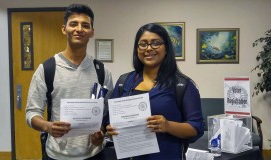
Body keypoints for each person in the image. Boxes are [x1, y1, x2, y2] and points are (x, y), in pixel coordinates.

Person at [25, 3, 113, 160]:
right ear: (64, 29)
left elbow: (107, 113)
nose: (79, 29)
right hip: (56, 155)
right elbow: (31, 113)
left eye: (85, 25)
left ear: (92, 32)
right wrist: (48, 126)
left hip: (95, 154)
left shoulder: (102, 71)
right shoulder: (47, 69)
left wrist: (101, 132)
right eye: (74, 24)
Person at [106, 23, 204, 160]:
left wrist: (168, 126)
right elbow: (111, 122)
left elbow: (196, 128)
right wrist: (111, 131)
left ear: (166, 49)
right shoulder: (124, 81)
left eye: (156, 43)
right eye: (143, 44)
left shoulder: (182, 85)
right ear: (137, 49)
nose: (149, 48)